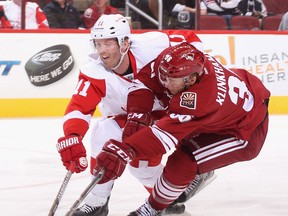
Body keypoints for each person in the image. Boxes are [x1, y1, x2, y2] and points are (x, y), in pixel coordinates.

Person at [55, 14, 214, 216]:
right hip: (132, 121)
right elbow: (79, 107)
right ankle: (98, 202)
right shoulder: (93, 71)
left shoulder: (153, 46)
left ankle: (177, 186)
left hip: (170, 116)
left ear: (125, 43)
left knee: (144, 164)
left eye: (108, 43)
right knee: (110, 137)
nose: (102, 51)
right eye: (98, 44)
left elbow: (189, 39)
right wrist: (72, 136)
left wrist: (202, 76)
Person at [92, 42, 270, 215]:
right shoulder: (172, 61)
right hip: (228, 108)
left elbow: (162, 138)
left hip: (245, 130)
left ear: (191, 79)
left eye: (171, 79)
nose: (165, 83)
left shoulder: (199, 100)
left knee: (185, 160)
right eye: (164, 76)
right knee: (183, 131)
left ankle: (152, 209)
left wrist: (125, 150)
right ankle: (200, 170)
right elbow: (146, 82)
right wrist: (138, 114)